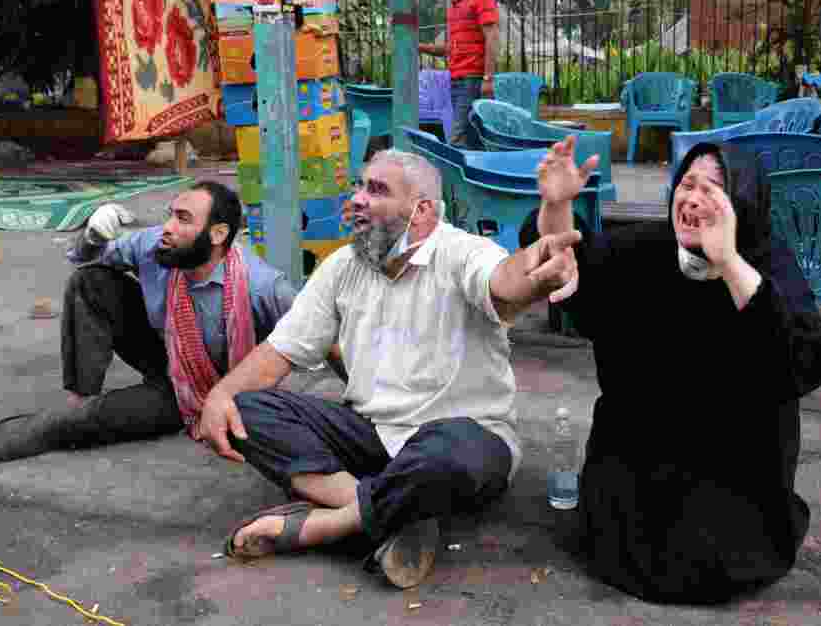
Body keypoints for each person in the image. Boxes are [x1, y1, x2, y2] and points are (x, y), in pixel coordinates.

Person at [196, 149, 580, 589]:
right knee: (247, 409)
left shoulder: (461, 253)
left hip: (463, 437)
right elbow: (279, 352)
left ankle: (326, 525)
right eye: (359, 186)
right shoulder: (343, 266)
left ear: (422, 211)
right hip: (372, 434)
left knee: (447, 451)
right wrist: (221, 397)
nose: (357, 199)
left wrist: (540, 262)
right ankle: (399, 514)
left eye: (376, 190)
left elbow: (507, 281)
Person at [522, 137, 821, 604]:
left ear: (742, 205)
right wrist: (557, 205)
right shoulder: (646, 249)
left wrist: (728, 262)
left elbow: (805, 361)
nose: (692, 197)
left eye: (713, 189)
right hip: (628, 502)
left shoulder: (767, 265)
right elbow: (569, 274)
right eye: (687, 184)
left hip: (734, 501)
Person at [0, 183, 319, 481]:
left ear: (218, 234)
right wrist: (92, 237)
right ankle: (80, 398)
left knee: (80, 425)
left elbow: (323, 332)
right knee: (92, 280)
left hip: (208, 391)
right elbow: (81, 260)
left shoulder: (263, 286)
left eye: (183, 219)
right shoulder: (155, 245)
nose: (167, 226)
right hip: (165, 353)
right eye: (170, 214)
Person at [418, 0, 500, 148]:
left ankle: (454, 178)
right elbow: (452, 49)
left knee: (456, 138)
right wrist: (418, 47)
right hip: (455, 78)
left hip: (473, 79)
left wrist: (488, 78)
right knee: (471, 138)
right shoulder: (454, 5)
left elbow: (492, 38)